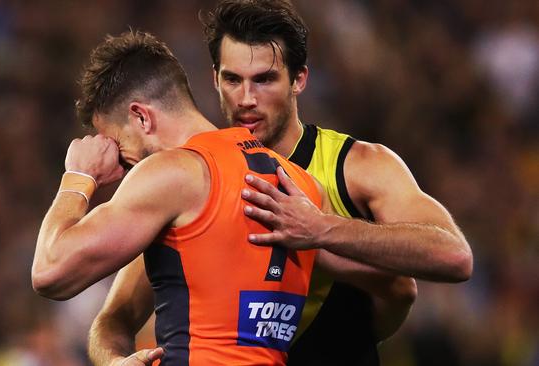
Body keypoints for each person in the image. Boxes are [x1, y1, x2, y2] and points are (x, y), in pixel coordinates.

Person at [88, 1, 473, 365]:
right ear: (214, 79)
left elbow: (454, 256)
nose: (246, 99)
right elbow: (113, 318)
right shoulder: (191, 178)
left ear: (299, 79)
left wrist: (321, 228)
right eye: (233, 80)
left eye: (265, 80)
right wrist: (113, 360)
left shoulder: (354, 166)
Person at [32, 30, 338, 365]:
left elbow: (50, 273)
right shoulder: (303, 185)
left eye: (117, 143)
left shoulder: (174, 173)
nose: (120, 163)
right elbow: (114, 319)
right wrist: (114, 361)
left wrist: (79, 176)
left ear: (141, 117)